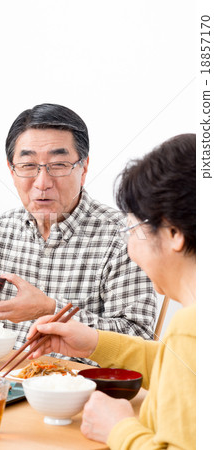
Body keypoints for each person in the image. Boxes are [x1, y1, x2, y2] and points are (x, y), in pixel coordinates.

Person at [0, 103, 157, 363]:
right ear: (12, 170)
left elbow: (140, 342)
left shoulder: (122, 237)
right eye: (28, 165)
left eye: (58, 165)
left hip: (81, 393)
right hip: (6, 384)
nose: (42, 183)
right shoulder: (3, 230)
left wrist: (50, 309)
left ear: (83, 168)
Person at [27, 133, 196, 448]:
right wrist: (92, 342)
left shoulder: (191, 327)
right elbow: (182, 366)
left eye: (133, 230)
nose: (130, 248)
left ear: (174, 233)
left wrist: (119, 429)